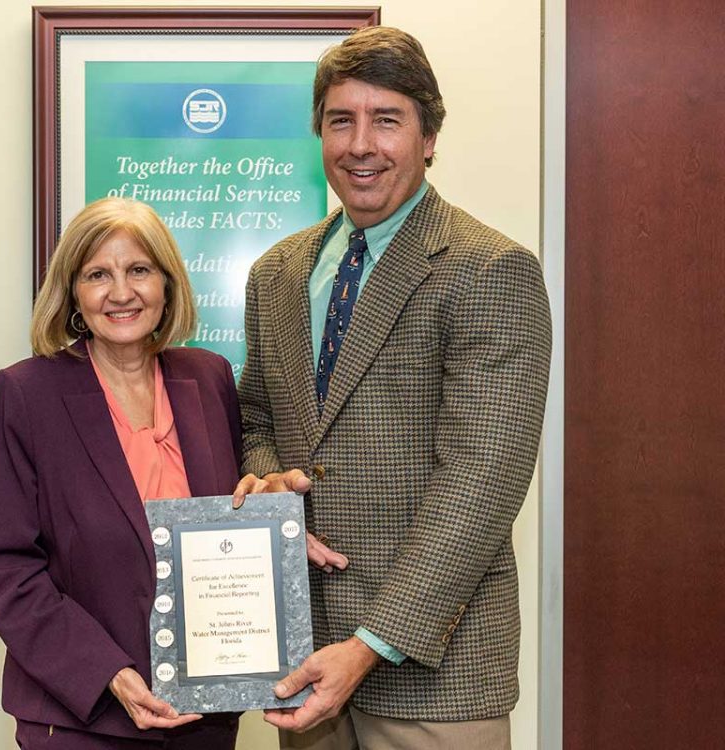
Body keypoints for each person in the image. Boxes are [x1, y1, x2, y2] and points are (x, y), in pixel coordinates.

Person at [233, 26, 552, 749]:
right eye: (341, 120)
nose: (360, 144)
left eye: (387, 120)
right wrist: (267, 482)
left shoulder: (489, 270)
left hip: (436, 676)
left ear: (430, 136)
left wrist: (371, 643)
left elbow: (483, 479)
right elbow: (254, 417)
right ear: (319, 133)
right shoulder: (276, 272)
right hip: (306, 658)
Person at [0, 197, 241, 750]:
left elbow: (231, 530)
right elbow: (7, 571)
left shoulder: (210, 379)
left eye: (139, 269)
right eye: (98, 274)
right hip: (84, 719)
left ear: (167, 284)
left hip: (203, 719)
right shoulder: (26, 394)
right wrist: (108, 674)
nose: (121, 292)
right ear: (74, 294)